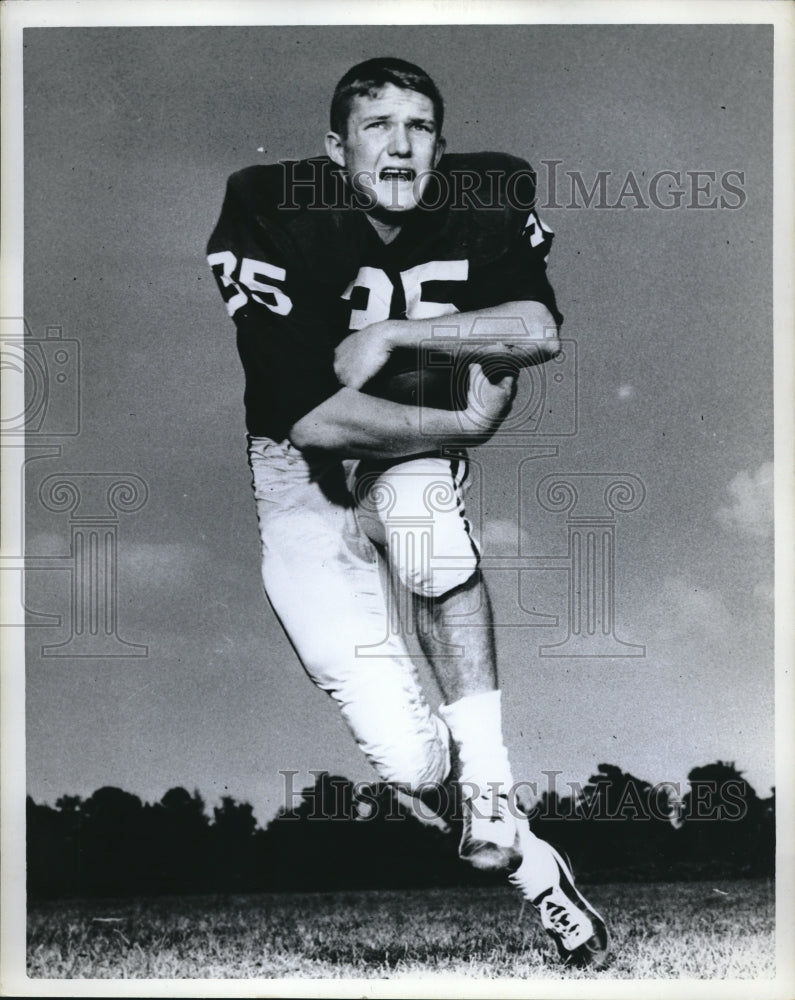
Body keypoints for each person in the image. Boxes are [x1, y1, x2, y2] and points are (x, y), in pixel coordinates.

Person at [207, 57, 609, 968]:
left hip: (414, 445)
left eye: (420, 125)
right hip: (297, 466)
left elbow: (536, 330)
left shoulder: (485, 191)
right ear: (334, 148)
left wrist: (396, 333)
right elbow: (311, 413)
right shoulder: (269, 206)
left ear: (440, 141)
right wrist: (460, 415)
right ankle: (537, 874)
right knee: (410, 764)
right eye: (377, 125)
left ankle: (497, 786)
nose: (400, 143)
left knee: (428, 538)